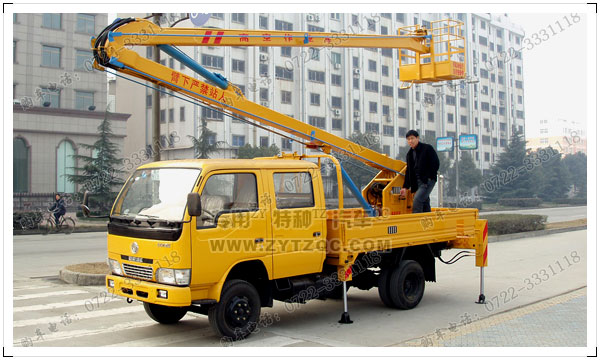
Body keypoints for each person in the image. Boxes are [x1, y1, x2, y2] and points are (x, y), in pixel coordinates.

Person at [400, 130, 440, 213]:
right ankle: (428, 222)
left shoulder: (427, 148)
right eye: (408, 139)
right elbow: (409, 171)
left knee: (417, 201)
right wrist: (405, 187)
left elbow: (435, 163)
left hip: (427, 181)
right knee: (424, 201)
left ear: (417, 138)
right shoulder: (409, 154)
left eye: (412, 138)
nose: (410, 141)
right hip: (417, 182)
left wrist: (428, 177)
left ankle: (416, 223)